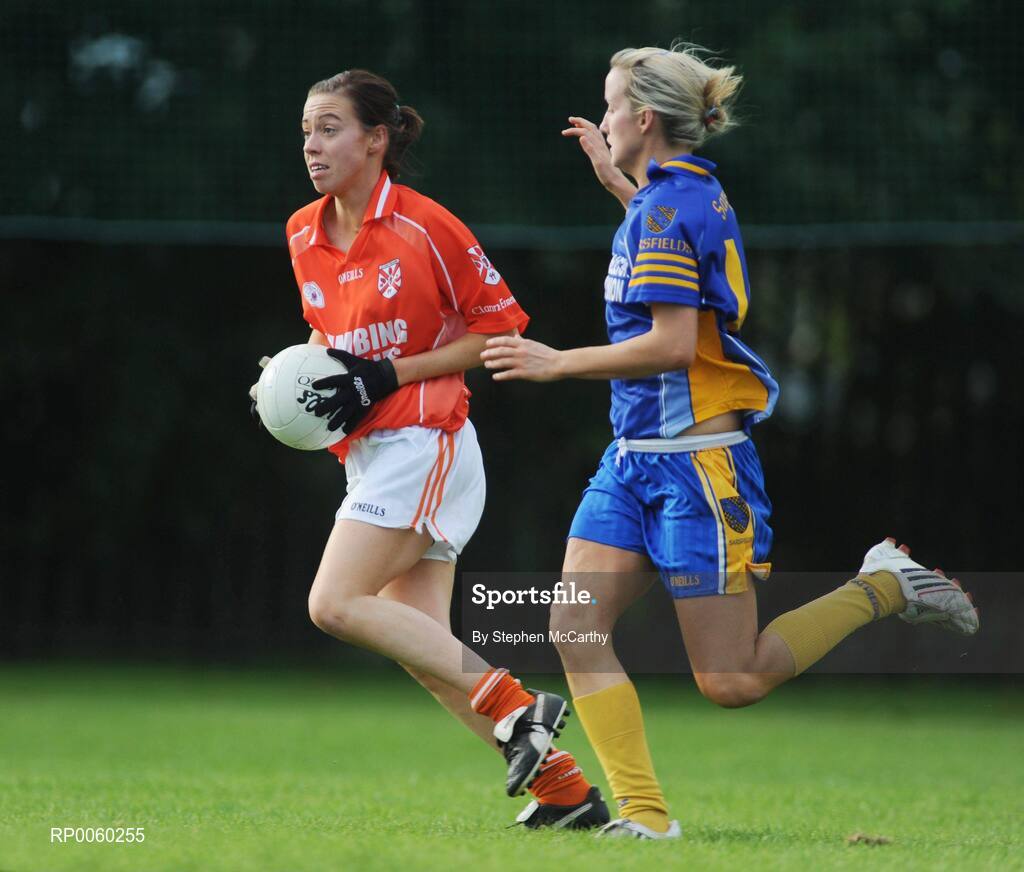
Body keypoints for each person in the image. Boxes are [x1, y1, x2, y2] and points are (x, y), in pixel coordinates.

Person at [481, 44, 978, 839]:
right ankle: (643, 819)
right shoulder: (667, 197)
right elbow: (666, 260)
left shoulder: (668, 209)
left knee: (732, 679)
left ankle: (882, 584)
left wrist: (556, 362)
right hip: (631, 462)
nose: (603, 120)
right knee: (572, 627)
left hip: (698, 473)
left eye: (611, 107)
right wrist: (620, 186)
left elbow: (674, 344)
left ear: (644, 119)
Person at [260, 68, 609, 828]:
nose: (313, 147)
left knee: (332, 602)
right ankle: (568, 795)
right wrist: (294, 384)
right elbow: (333, 342)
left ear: (376, 138)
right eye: (306, 133)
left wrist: (390, 372)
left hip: (428, 440)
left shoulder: (426, 225)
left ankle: (522, 706)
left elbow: (500, 329)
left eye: (330, 128)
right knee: (426, 655)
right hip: (369, 454)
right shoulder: (301, 232)